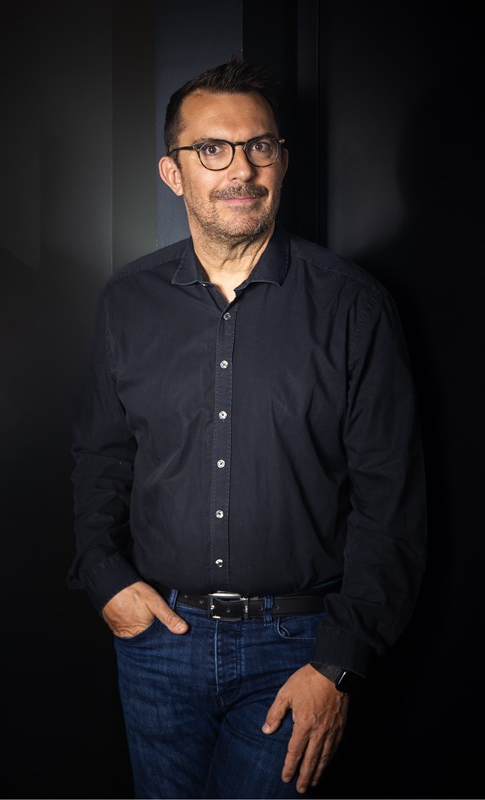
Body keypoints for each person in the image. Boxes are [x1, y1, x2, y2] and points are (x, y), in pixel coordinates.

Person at [67, 58, 427, 799]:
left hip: (297, 652)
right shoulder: (126, 302)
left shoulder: (353, 306)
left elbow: (390, 502)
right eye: (213, 149)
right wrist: (104, 577)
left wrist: (337, 664)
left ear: (282, 161)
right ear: (173, 173)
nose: (241, 170)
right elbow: (100, 458)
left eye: (260, 146)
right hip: (158, 642)